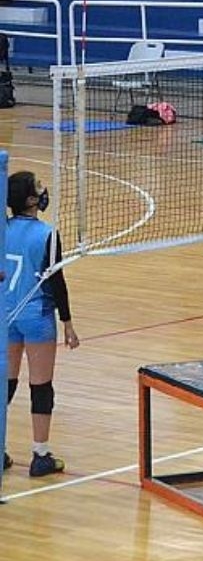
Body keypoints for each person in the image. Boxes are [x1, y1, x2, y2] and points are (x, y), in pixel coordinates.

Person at [4, 171, 80, 477]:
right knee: (41, 387)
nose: (43, 188)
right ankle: (40, 454)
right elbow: (57, 283)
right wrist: (68, 323)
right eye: (38, 186)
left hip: (6, 315)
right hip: (36, 317)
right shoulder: (47, 235)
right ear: (31, 199)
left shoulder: (3, 228)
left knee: (6, 385)